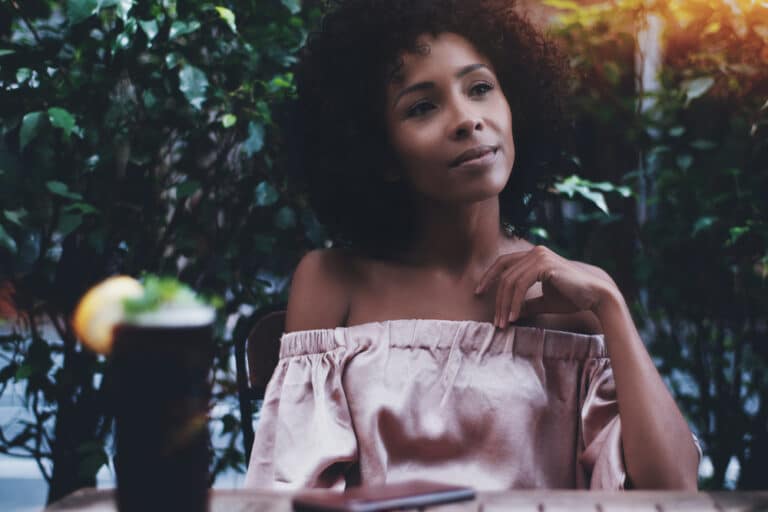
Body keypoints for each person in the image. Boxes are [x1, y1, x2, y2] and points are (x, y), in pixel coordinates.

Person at [244, 0, 701, 491]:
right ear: (379, 152)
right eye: (422, 107)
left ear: (515, 107)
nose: (467, 119)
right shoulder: (335, 282)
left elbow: (673, 492)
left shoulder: (568, 303)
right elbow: (288, 494)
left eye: (480, 88)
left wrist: (610, 303)